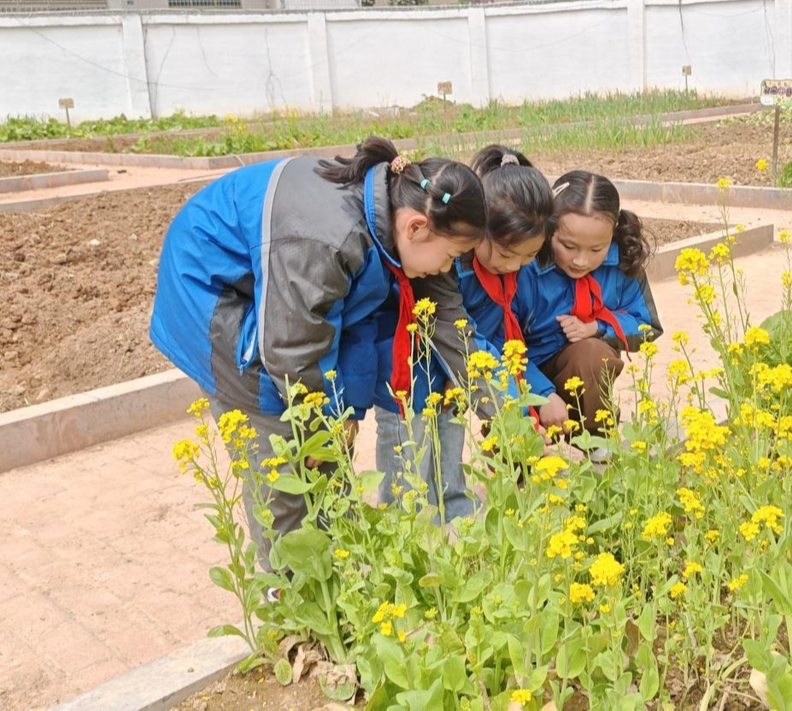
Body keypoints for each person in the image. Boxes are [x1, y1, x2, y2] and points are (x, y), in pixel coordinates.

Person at [150, 136, 487, 569]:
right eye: (451, 256)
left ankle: (338, 575)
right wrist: (319, 425)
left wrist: (501, 406)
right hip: (209, 289)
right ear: (417, 227)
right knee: (281, 449)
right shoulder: (329, 237)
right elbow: (291, 348)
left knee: (326, 452)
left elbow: (417, 319)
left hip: (280, 301)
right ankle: (289, 597)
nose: (446, 268)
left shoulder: (393, 213)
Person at [374, 145, 556, 521]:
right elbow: (461, 335)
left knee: (450, 444)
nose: (515, 267)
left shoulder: (501, 272)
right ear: (478, 232)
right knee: (410, 452)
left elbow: (501, 343)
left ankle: (455, 514)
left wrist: (525, 402)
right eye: (508, 255)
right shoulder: (444, 261)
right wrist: (509, 412)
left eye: (525, 259)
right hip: (411, 370)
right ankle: (403, 528)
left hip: (459, 372)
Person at [515, 169, 663, 453]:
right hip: (524, 371)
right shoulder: (524, 263)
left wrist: (598, 327)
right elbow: (499, 341)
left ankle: (597, 445)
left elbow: (647, 325)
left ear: (614, 232)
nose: (581, 260)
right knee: (515, 436)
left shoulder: (622, 263)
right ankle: (520, 464)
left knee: (593, 355)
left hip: (579, 370)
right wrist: (541, 394)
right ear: (548, 228)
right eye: (568, 246)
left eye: (597, 248)